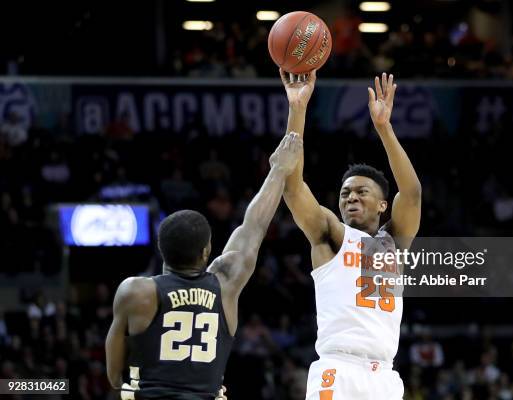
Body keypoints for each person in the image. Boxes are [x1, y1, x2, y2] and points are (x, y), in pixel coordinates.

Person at [105, 133, 303, 399]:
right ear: (206, 251)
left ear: (161, 248)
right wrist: (278, 171)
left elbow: (115, 376)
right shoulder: (225, 286)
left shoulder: (135, 292)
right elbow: (253, 227)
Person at [279, 68, 421, 399]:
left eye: (361, 192)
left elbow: (411, 193)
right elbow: (292, 186)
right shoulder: (331, 235)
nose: (351, 197)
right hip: (338, 369)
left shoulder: (395, 242)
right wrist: (297, 109)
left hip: (385, 375)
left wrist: (384, 129)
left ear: (383, 205)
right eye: (345, 193)